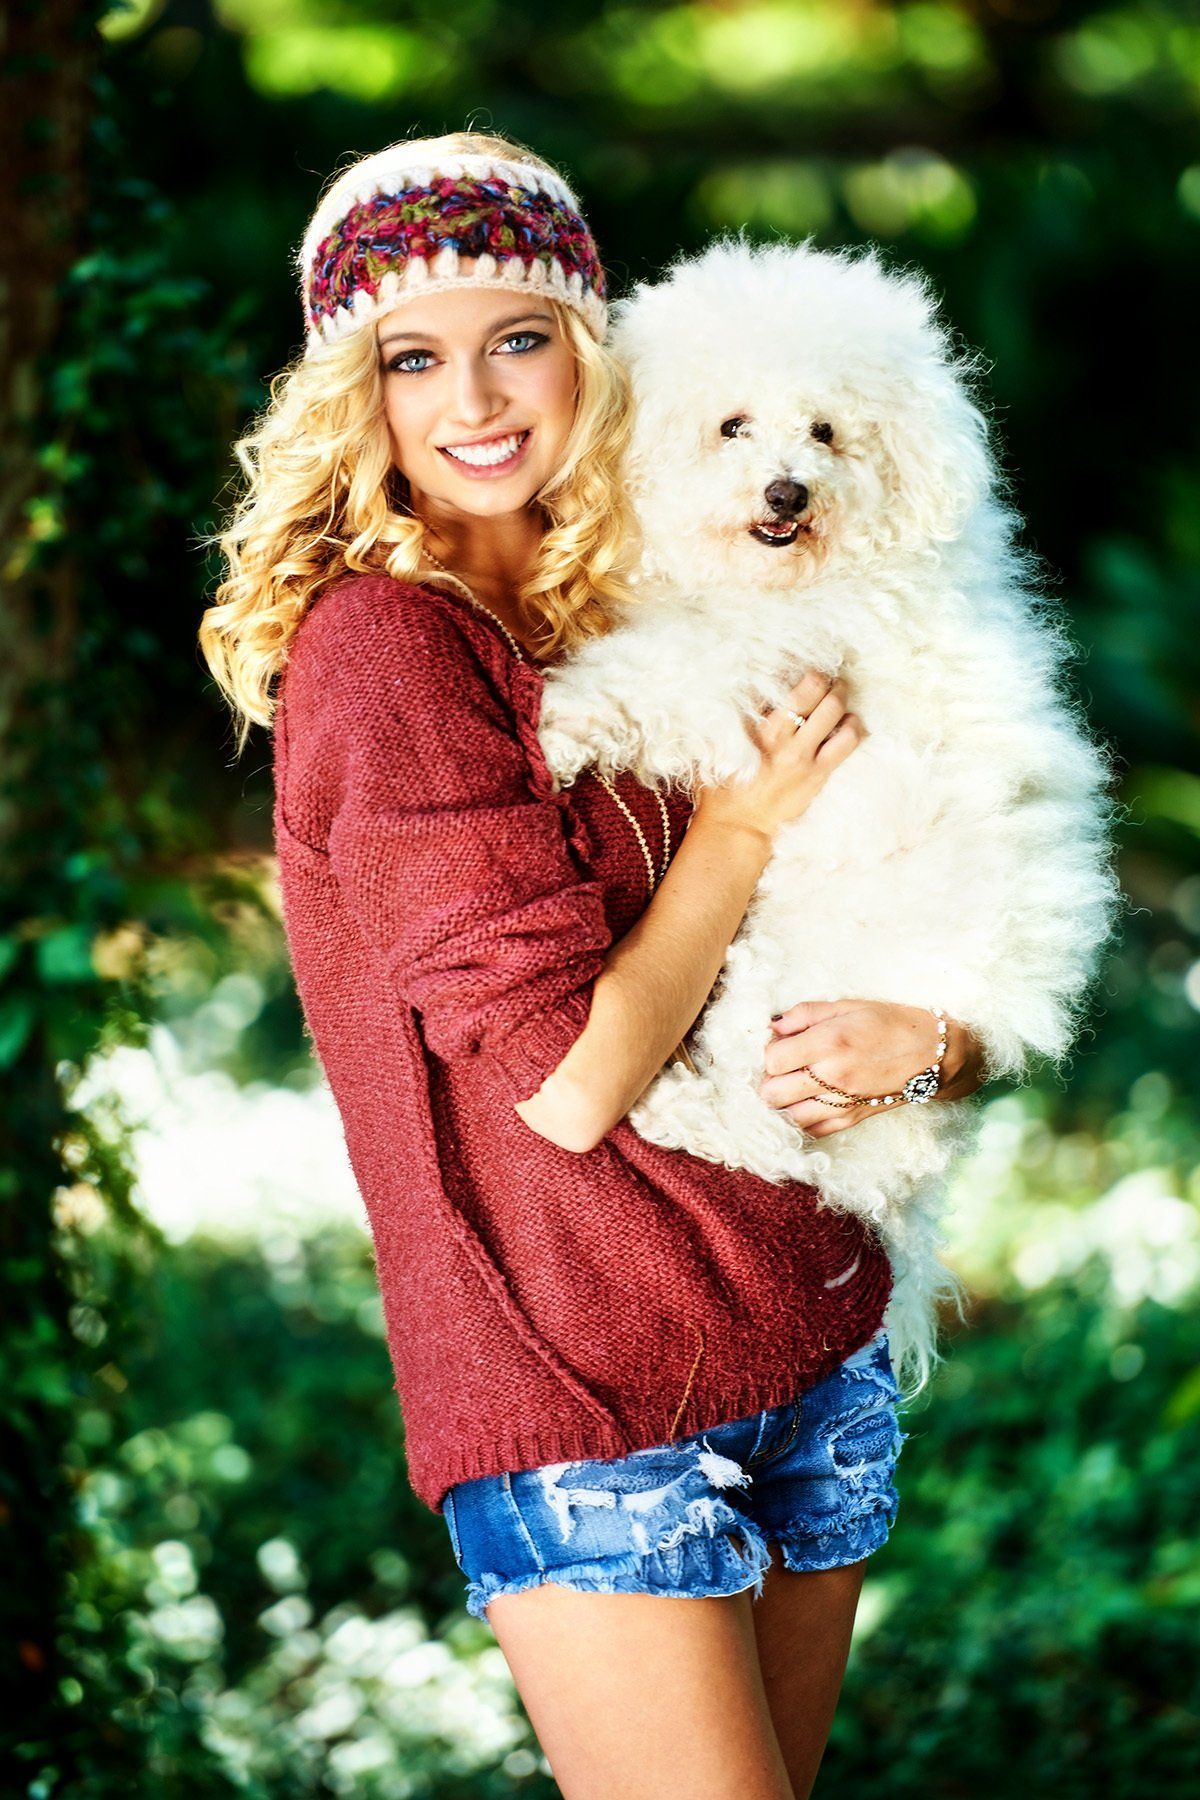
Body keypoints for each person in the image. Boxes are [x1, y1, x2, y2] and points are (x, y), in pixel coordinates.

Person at [199, 130, 986, 1800]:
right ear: (365, 394)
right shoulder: (387, 651)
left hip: (806, 1334)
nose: (474, 398)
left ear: (593, 351)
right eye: (415, 357)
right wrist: (742, 824)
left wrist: (940, 1047)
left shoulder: (647, 592)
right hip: (593, 1401)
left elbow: (940, 874)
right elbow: (563, 1087)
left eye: (520, 338)